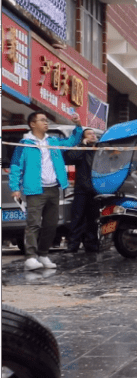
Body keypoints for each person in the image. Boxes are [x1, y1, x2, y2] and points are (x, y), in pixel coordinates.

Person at [9, 111, 83, 270]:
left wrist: (77, 124)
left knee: (51, 225)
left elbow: (72, 141)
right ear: (32, 124)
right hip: (35, 190)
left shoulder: (53, 141)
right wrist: (15, 188)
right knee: (33, 224)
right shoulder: (24, 144)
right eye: (42, 120)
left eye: (46, 120)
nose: (46, 122)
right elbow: (15, 166)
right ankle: (30, 258)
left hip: (53, 189)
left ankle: (43, 254)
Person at [64, 128, 99, 253]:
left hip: (95, 189)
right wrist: (82, 146)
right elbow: (70, 158)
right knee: (77, 218)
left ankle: (91, 244)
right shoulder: (81, 149)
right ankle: (73, 245)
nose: (92, 135)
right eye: (89, 134)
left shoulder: (99, 150)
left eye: (94, 133)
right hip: (81, 189)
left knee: (93, 219)